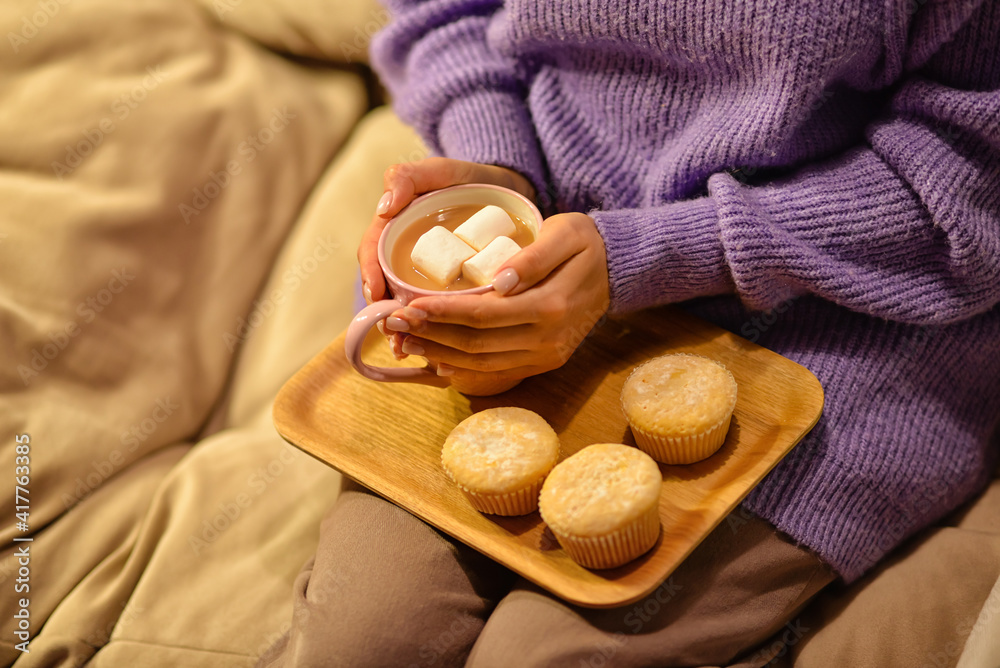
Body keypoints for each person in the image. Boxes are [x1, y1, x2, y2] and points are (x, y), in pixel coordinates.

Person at [259, 0, 1000, 665]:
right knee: (359, 640)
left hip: (840, 315)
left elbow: (967, 184)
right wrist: (499, 169)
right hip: (539, 237)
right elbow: (442, 13)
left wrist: (659, 252)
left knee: (536, 656)